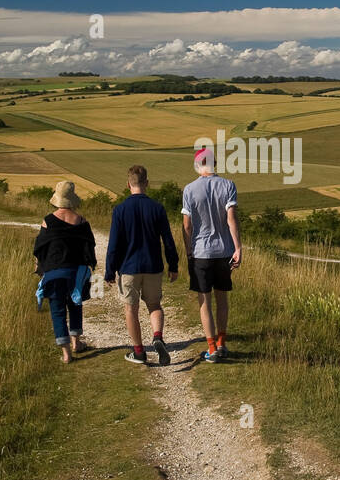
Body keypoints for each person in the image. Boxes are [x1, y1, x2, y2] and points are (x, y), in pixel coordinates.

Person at [104, 165, 179, 365]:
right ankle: (157, 336)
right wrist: (173, 265)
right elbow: (168, 240)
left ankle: (139, 352)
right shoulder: (157, 208)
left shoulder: (119, 210)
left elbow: (113, 244)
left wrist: (110, 271)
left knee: (131, 309)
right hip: (153, 266)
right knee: (154, 305)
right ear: (146, 183)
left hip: (129, 268)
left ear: (128, 184)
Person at [181, 147, 242, 362]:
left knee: (204, 301)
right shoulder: (228, 185)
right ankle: (222, 342)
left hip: (200, 252)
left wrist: (188, 250)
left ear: (198, 165)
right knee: (222, 298)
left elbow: (187, 225)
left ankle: (211, 347)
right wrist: (238, 248)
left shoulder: (189, 189)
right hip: (224, 251)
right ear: (214, 164)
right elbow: (231, 219)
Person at [33, 180, 96, 363]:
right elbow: (89, 248)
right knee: (75, 305)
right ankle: (77, 342)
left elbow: (41, 248)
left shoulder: (48, 221)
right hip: (75, 273)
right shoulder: (82, 222)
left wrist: (39, 268)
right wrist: (91, 266)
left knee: (57, 310)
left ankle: (66, 354)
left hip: (54, 272)